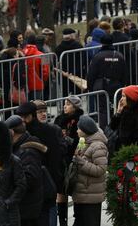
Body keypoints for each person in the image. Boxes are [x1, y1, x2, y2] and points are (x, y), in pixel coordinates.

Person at [16, 102, 64, 226]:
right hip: (31, 189)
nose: (22, 120)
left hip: (46, 184)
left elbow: (55, 159)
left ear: (32, 116)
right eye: (20, 117)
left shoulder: (47, 131)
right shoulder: (19, 134)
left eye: (25, 117)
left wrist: (54, 183)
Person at [5, 115, 47, 226]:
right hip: (23, 206)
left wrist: (7, 179)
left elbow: (30, 178)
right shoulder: (16, 147)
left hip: (27, 208)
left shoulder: (28, 150)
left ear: (12, 132)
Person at [53, 95, 84, 225]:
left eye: (68, 104)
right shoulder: (59, 119)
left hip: (73, 158)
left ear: (75, 107)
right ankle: (63, 221)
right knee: (61, 191)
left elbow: (78, 140)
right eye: (65, 104)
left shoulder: (79, 120)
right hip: (60, 159)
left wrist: (65, 139)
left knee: (75, 190)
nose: (65, 106)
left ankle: (78, 218)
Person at [72, 115, 107, 226]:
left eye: (79, 128)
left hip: (91, 197)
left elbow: (100, 169)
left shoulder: (98, 146)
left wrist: (81, 162)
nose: (77, 131)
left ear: (85, 130)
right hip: (82, 194)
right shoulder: (83, 142)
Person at [87, 34, 127, 127]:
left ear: (101, 43)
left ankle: (105, 131)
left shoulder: (97, 57)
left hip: (101, 86)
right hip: (117, 85)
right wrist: (123, 85)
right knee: (117, 107)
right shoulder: (120, 56)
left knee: (103, 110)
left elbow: (91, 74)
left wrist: (90, 87)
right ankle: (117, 128)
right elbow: (124, 73)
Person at [55, 28, 84, 97]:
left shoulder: (58, 48)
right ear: (72, 35)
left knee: (64, 95)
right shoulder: (78, 46)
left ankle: (64, 107)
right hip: (76, 75)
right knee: (77, 96)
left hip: (63, 75)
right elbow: (83, 60)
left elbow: (56, 62)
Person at [23, 34, 50, 101]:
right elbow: (46, 72)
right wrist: (43, 81)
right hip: (37, 84)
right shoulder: (42, 55)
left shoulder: (21, 53)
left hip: (23, 86)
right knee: (37, 106)